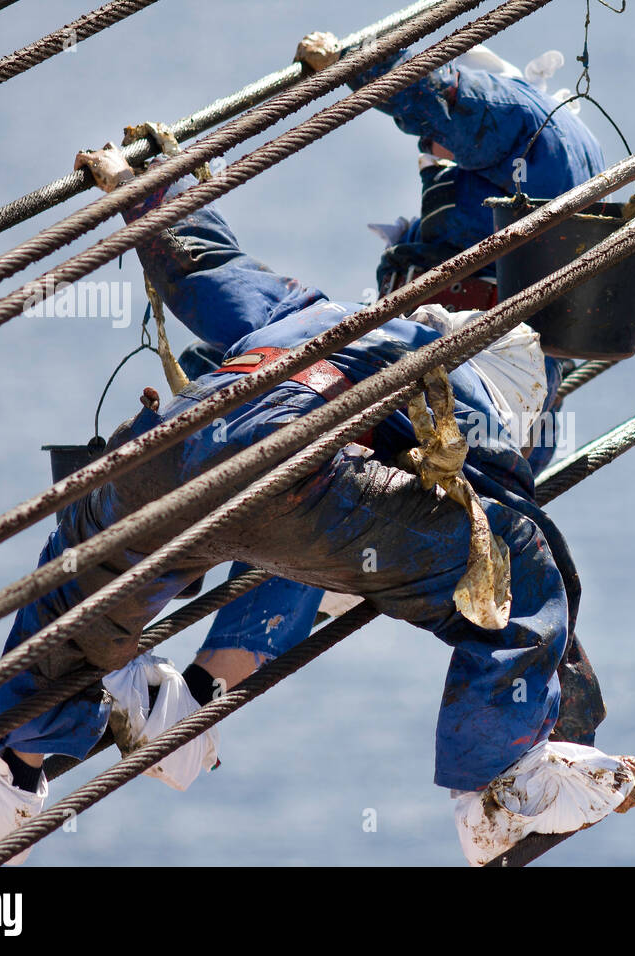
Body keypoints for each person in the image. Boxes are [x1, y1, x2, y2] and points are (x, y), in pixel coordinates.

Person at [0, 40, 635, 866]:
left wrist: (154, 188)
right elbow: (485, 513)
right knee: (514, 565)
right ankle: (498, 788)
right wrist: (376, 70)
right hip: (298, 477)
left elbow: (211, 274)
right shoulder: (468, 371)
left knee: (83, 579)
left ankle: (9, 764)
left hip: (175, 452)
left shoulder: (327, 312)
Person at [161, 32, 608, 760]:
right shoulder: (479, 219)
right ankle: (198, 703)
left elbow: (455, 102)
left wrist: (366, 67)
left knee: (308, 462)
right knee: (297, 490)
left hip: (464, 411)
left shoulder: (530, 130)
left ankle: (526, 749)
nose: (432, 157)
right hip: (445, 413)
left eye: (437, 148)